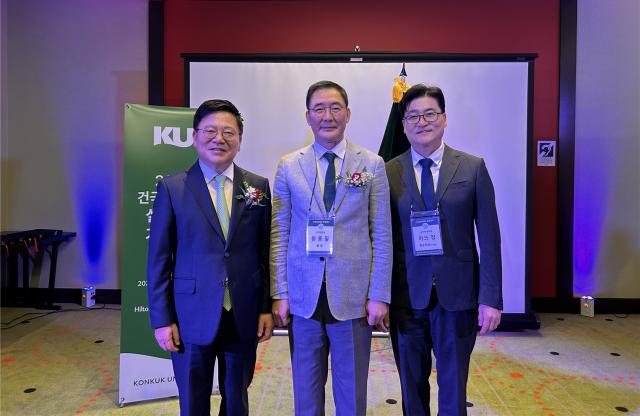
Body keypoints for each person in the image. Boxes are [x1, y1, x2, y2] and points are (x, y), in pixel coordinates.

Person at [270, 80, 392, 415]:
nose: (328, 116)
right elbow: (280, 233)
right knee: (306, 393)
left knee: (351, 393)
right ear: (308, 116)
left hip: (354, 297)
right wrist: (280, 292)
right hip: (303, 297)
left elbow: (381, 234)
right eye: (319, 109)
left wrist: (379, 295)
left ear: (348, 114)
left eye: (335, 108)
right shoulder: (288, 166)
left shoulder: (371, 164)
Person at [147, 99, 273, 416]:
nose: (219, 138)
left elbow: (263, 253)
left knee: (237, 400)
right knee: (193, 400)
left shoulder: (258, 187)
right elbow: (159, 260)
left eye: (228, 132)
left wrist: (264, 308)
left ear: (239, 140)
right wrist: (162, 320)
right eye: (210, 131)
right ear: (195, 137)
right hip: (190, 315)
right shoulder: (173, 188)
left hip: (242, 313)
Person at [385, 84, 503, 416]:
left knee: (453, 386)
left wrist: (491, 298)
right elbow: (382, 239)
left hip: (457, 295)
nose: (422, 122)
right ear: (404, 125)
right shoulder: (388, 172)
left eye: (430, 114)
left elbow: (490, 238)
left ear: (445, 119)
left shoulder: (472, 168)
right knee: (411, 387)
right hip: (406, 297)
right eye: (413, 116)